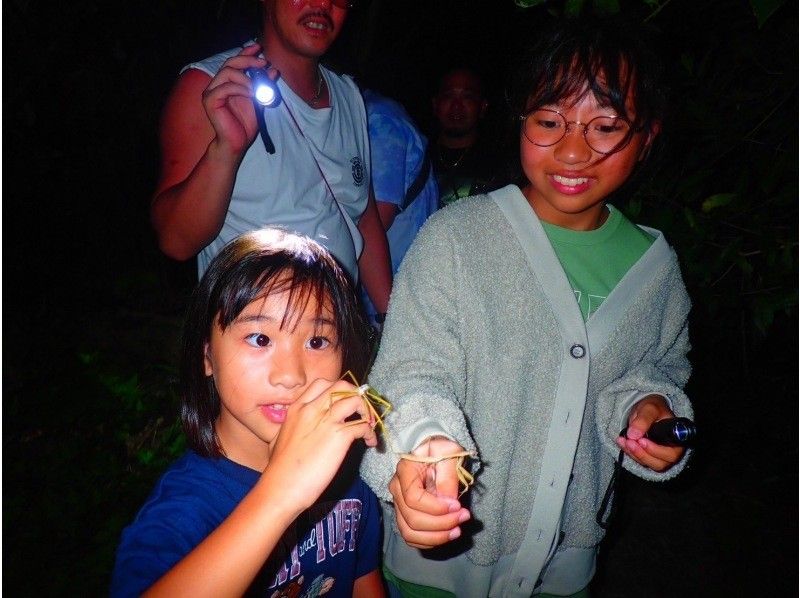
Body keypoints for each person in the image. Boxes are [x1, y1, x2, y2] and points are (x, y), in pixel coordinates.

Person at [361, 17, 694, 597]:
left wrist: (649, 408)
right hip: (437, 568)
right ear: (518, 121)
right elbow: (410, 373)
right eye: (548, 122)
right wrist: (420, 449)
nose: (572, 151)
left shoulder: (656, 271)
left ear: (648, 136)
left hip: (562, 573)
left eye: (606, 127)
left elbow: (656, 371)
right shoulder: (457, 238)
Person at [111, 228, 386, 597]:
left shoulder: (345, 472)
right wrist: (281, 493)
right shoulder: (184, 514)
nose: (291, 375)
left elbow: (362, 578)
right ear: (207, 355)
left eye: (317, 341)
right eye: (260, 338)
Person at [150, 0, 392, 316]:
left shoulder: (349, 96)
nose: (323, 5)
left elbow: (363, 217)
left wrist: (394, 320)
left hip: (336, 340)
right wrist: (226, 150)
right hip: (254, 344)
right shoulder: (211, 84)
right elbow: (175, 241)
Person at [360, 88, 439, 327]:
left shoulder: (380, 118)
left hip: (391, 305)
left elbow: (371, 222)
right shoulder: (359, 112)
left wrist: (388, 319)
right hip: (383, 305)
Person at [430, 67, 499, 207]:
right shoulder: (416, 157)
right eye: (448, 96)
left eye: (468, 97)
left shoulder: (499, 165)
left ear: (482, 107)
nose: (456, 106)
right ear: (435, 104)